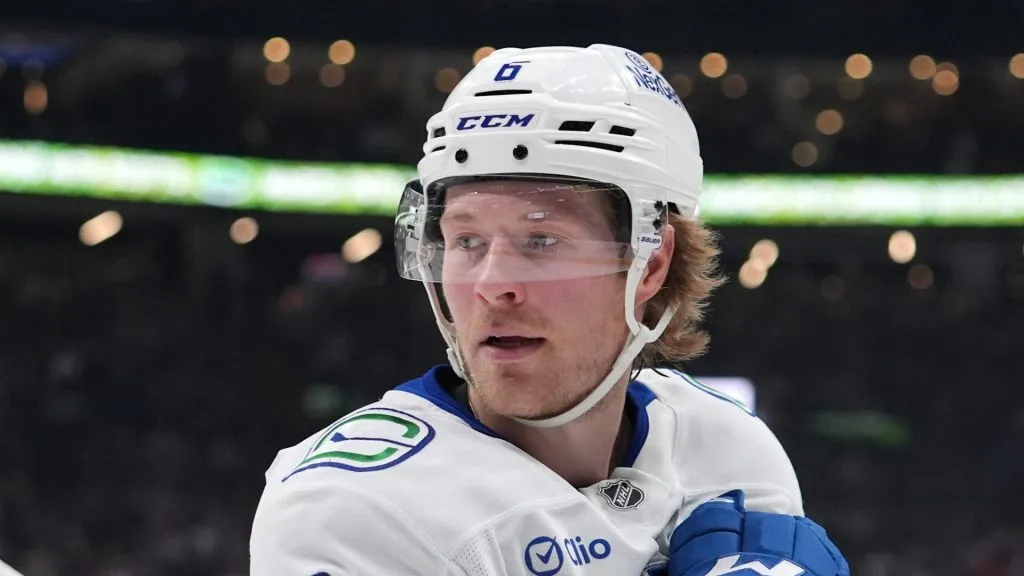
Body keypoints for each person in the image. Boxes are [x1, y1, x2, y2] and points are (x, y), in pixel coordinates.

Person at [250, 44, 849, 576]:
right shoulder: (352, 507)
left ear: (653, 262)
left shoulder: (727, 447)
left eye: (541, 241)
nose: (492, 286)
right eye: (466, 241)